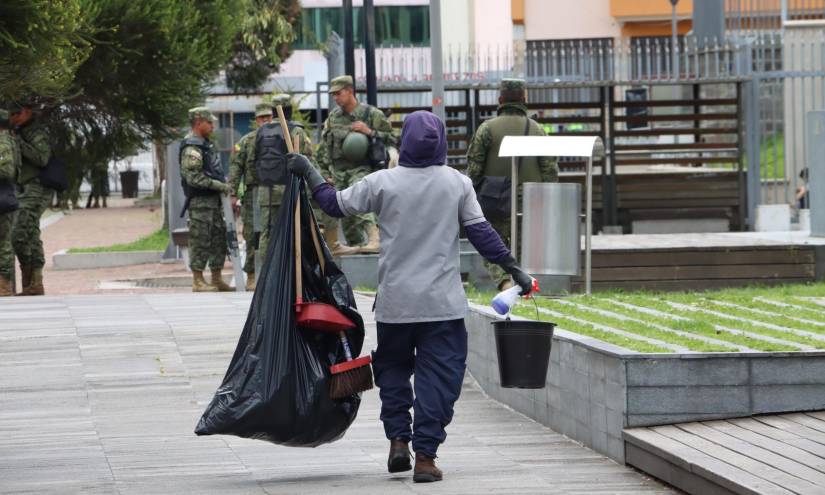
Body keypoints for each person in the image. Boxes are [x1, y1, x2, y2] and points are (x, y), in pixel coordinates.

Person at [288, 110, 534, 483]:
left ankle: (399, 441)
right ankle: (426, 457)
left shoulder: (382, 182)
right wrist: (514, 269)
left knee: (393, 373)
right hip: (442, 307)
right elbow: (482, 233)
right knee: (440, 378)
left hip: (395, 306)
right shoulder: (457, 184)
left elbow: (334, 204)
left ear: (404, 142)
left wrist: (309, 171)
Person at [465, 78, 559, 290]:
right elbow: (550, 170)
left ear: (500, 100)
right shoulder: (537, 130)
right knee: (523, 246)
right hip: (529, 200)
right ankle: (523, 283)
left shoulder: (486, 129)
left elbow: (474, 169)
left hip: (494, 200)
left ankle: (504, 282)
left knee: (491, 245)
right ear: (524, 100)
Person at [316, 75, 397, 255]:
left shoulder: (371, 114)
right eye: (333, 95)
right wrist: (324, 172)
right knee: (346, 216)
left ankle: (375, 237)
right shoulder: (333, 118)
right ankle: (358, 250)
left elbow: (393, 138)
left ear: (350, 91)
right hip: (338, 172)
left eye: (338, 93)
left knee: (360, 199)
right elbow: (324, 147)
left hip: (362, 168)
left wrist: (369, 131)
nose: (335, 98)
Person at [254, 95, 316, 264]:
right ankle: (287, 269)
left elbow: (253, 161)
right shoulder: (296, 131)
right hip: (287, 190)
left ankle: (266, 271)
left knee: (267, 233)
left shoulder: (261, 132)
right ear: (290, 109)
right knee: (291, 231)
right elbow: (307, 160)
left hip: (265, 192)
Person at [180, 106, 232, 292]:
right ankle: (198, 280)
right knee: (200, 240)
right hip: (200, 204)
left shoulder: (206, 144)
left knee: (218, 240)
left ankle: (216, 278)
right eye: (209, 122)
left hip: (214, 203)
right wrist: (219, 186)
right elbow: (193, 178)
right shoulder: (192, 147)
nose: (212, 126)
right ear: (198, 123)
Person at [10, 100, 53, 296]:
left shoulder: (37, 132)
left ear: (27, 111)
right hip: (21, 187)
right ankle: (32, 282)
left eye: (17, 113)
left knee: (21, 231)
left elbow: (42, 159)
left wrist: (19, 142)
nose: (14, 117)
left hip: (37, 187)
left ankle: (33, 279)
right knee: (28, 233)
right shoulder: (17, 131)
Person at [228, 102, 272, 290]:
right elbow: (235, 168)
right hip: (253, 193)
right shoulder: (246, 141)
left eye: (268, 117)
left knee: (271, 234)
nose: (265, 120)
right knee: (251, 234)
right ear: (256, 120)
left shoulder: (279, 138)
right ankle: (252, 275)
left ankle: (271, 275)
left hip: (273, 192)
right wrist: (232, 193)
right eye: (262, 117)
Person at [0, 108, 21, 296]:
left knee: (3, 243)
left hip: (3, 198)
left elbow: (6, 170)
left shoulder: (4, 142)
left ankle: (4, 285)